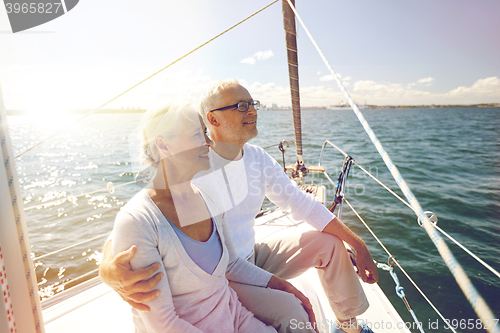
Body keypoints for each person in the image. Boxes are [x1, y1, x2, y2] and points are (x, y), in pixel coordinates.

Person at [100, 81, 378, 333]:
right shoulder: (193, 165)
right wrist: (107, 265)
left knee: (329, 244)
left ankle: (349, 326)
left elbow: (301, 203)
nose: (253, 112)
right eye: (242, 106)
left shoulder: (256, 158)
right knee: (292, 311)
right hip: (223, 274)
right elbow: (146, 218)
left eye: (253, 104)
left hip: (248, 256)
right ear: (212, 119)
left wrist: (359, 244)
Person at [109, 100, 314, 332]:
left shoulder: (209, 196)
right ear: (164, 146)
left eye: (205, 133)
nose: (208, 142)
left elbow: (232, 264)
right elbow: (164, 325)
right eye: (198, 134)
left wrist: (284, 287)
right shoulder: (138, 220)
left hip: (234, 319)